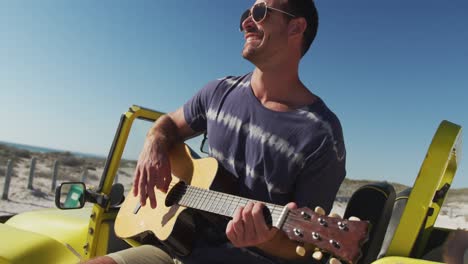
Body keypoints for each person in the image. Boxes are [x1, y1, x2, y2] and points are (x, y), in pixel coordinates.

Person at [87, 0, 346, 263]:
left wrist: (266, 238)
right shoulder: (218, 92)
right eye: (246, 14)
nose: (246, 22)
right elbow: (167, 124)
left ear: (296, 27)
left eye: (259, 13)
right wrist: (153, 144)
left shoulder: (322, 134)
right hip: (177, 247)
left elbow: (307, 248)